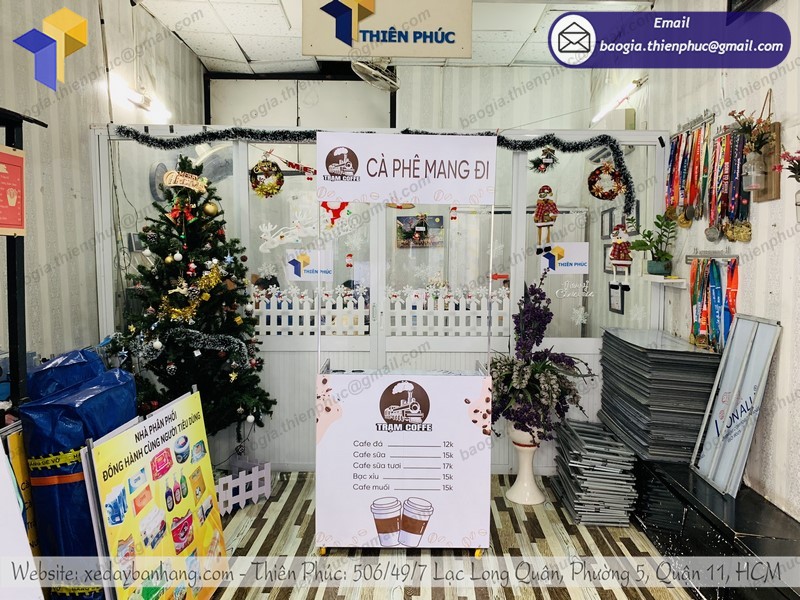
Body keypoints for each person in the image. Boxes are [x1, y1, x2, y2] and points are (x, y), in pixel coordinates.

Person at [534, 185, 558, 254]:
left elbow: (554, 211)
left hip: (548, 219)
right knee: (540, 232)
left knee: (548, 231)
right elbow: (537, 211)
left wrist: (553, 216)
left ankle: (547, 244)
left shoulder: (551, 204)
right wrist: (536, 217)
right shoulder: (540, 204)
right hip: (541, 219)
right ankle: (539, 246)